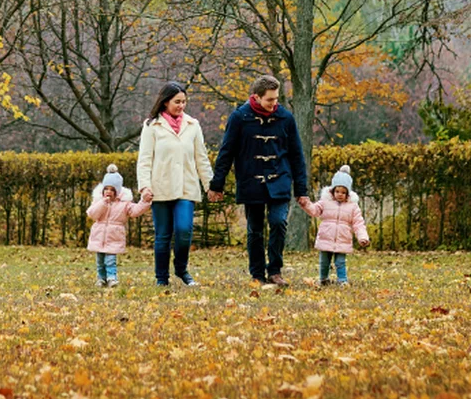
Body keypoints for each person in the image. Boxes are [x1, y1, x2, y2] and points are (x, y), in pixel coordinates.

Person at [207, 75, 309, 286]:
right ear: (256, 97)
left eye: (276, 99)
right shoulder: (240, 118)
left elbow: (297, 156)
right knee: (255, 229)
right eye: (269, 99)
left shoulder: (286, 118)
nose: (274, 104)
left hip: (280, 179)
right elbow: (227, 152)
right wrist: (217, 184)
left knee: (279, 222)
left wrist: (301, 189)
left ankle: (275, 271)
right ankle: (257, 274)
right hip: (251, 181)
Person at [137, 81, 214, 287]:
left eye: (184, 102)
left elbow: (201, 158)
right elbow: (144, 159)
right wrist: (144, 186)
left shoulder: (193, 125)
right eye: (177, 102)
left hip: (186, 188)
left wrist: (210, 185)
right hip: (160, 188)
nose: (181, 106)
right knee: (163, 235)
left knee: (184, 230)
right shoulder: (151, 126)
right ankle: (161, 278)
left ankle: (181, 270)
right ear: (165, 102)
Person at [298, 165, 369, 285]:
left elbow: (358, 223)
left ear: (348, 193)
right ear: (332, 191)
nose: (340, 194)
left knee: (340, 262)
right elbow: (314, 210)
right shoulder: (325, 202)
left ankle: (342, 280)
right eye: (337, 191)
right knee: (324, 262)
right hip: (326, 238)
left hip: (342, 239)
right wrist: (306, 204)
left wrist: (363, 237)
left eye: (343, 192)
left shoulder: (352, 207)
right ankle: (323, 279)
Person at [86, 164, 151, 287]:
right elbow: (92, 214)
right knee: (100, 260)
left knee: (110, 260)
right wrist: (103, 203)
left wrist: (145, 202)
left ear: (117, 191)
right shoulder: (98, 201)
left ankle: (112, 278)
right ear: (103, 190)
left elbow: (135, 211)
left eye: (112, 190)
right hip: (99, 235)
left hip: (114, 236)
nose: (109, 192)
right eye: (107, 189)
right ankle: (101, 278)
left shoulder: (124, 204)